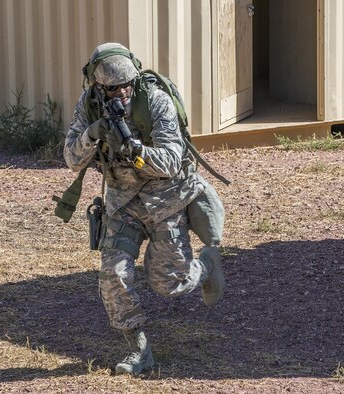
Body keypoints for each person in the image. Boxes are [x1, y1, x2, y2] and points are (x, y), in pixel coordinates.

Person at [63, 42, 225, 375]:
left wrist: (136, 151)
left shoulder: (155, 100)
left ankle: (206, 266)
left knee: (168, 284)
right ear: (97, 86)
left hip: (167, 201)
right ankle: (140, 351)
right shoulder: (90, 105)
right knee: (113, 276)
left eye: (125, 85)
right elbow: (70, 158)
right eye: (111, 88)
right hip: (123, 205)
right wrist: (92, 135)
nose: (120, 93)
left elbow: (169, 161)